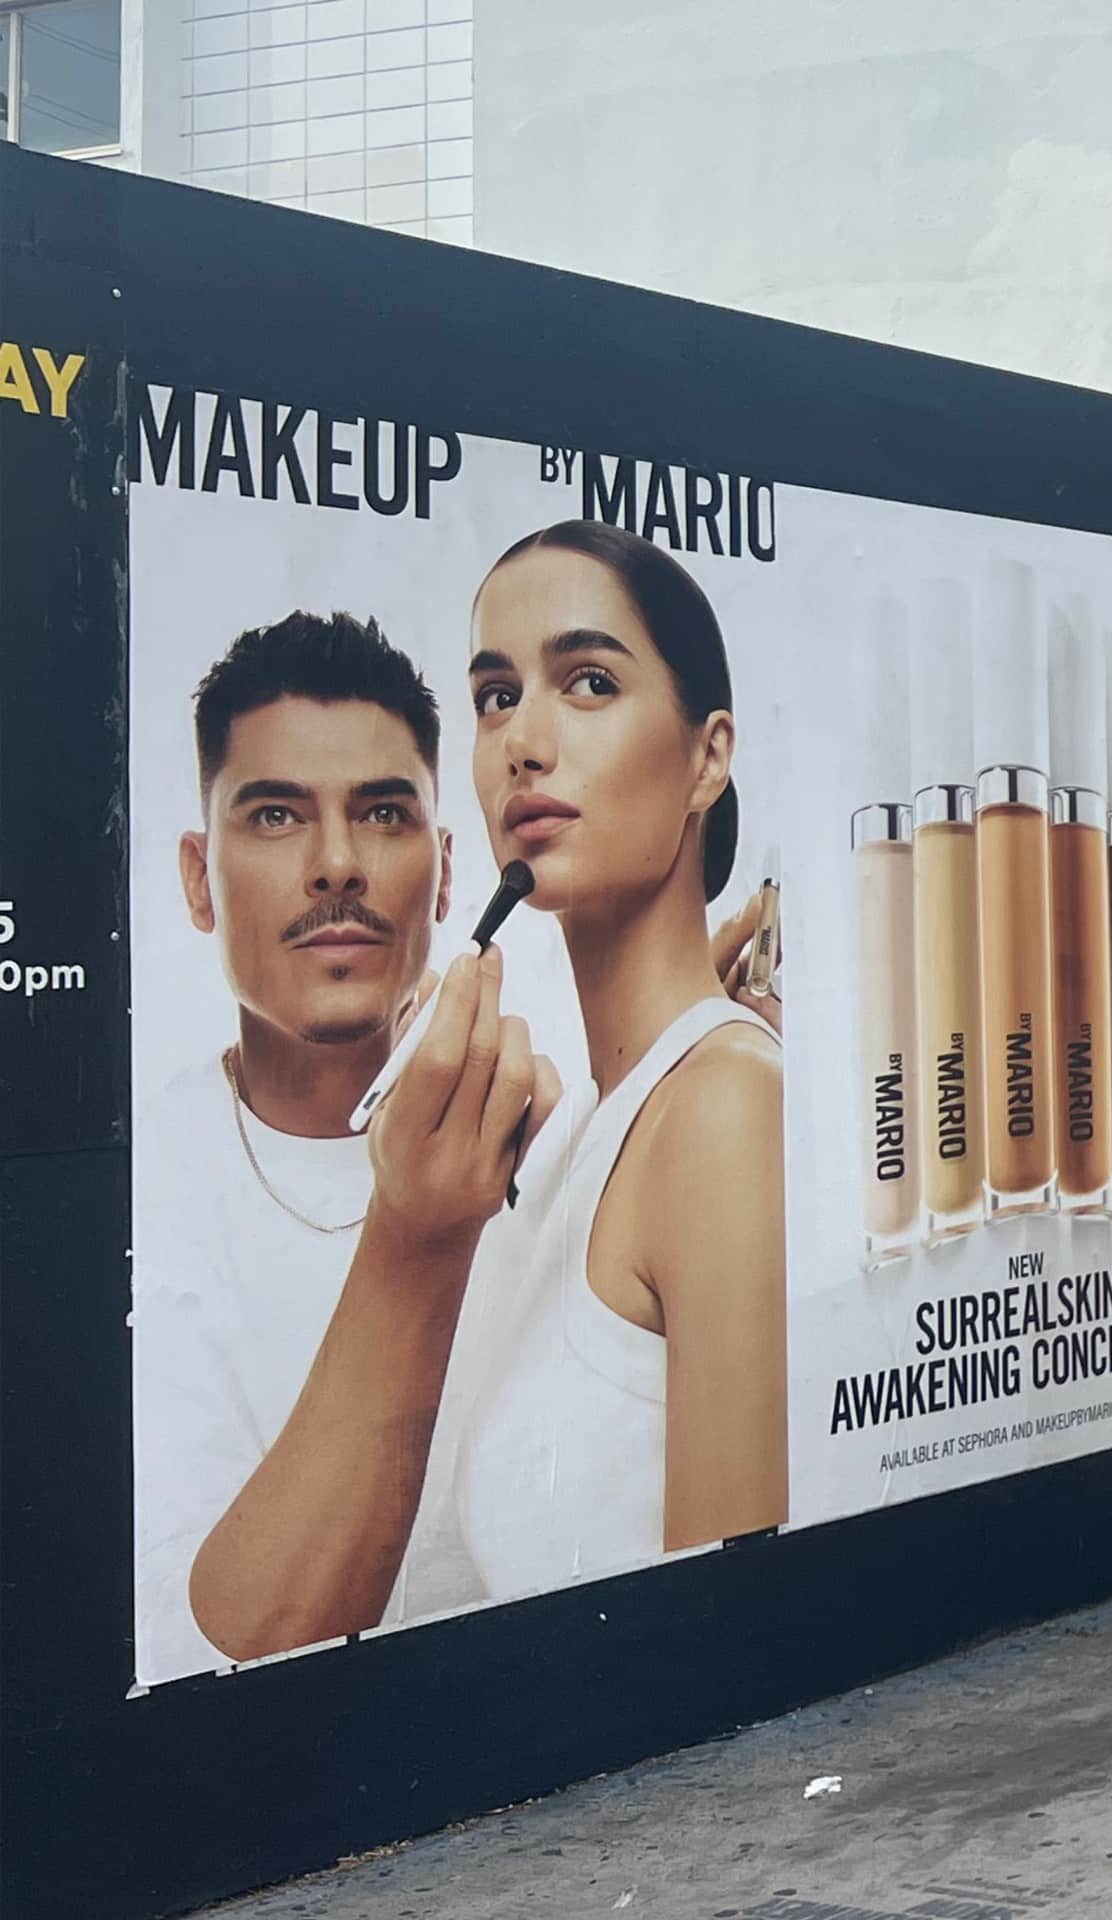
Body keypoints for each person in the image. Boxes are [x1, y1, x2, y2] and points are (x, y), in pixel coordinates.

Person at [135, 613, 561, 1677]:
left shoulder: (557, 1126)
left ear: (448, 871)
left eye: (381, 813)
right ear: (197, 877)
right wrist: (420, 1236)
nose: (336, 866)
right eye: (275, 816)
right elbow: (209, 1655)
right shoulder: (139, 1188)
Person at [454, 519, 786, 1598]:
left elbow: (735, 1626)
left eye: (587, 681)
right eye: (496, 695)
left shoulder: (725, 1109)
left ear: (708, 756)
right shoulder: (571, 1143)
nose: (522, 741)